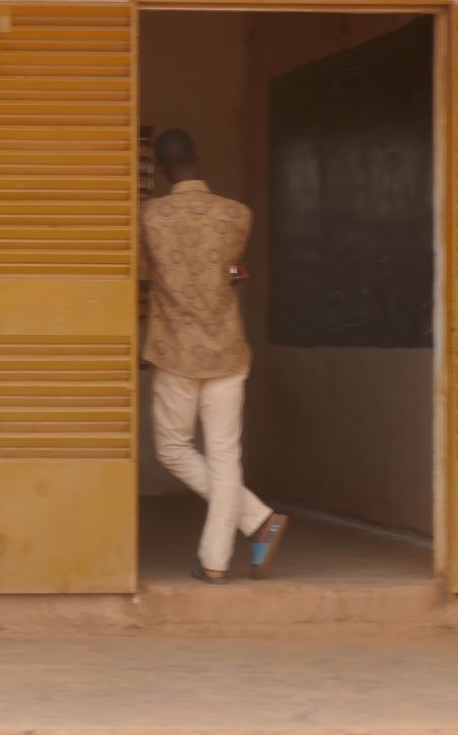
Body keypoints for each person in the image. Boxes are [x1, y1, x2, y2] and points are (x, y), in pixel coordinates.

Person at [141, 128, 287, 584]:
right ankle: (244, 533)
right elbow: (231, 272)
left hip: (174, 350)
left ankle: (229, 547)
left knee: (173, 449)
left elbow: (146, 277)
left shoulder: (147, 218)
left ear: (162, 170)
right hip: (226, 348)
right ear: (198, 159)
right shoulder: (236, 215)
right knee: (225, 454)